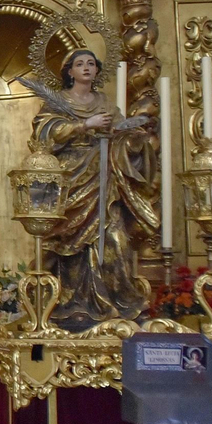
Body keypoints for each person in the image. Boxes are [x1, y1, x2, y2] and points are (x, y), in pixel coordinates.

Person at [29, 48, 154, 327]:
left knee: (115, 239)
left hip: (103, 180)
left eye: (91, 64)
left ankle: (115, 301)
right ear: (69, 71)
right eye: (79, 64)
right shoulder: (58, 101)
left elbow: (119, 137)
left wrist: (132, 139)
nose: (86, 68)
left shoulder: (107, 104)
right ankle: (70, 305)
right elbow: (45, 134)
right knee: (69, 244)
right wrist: (85, 125)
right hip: (70, 178)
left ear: (97, 71)